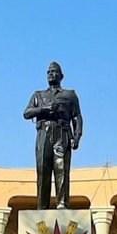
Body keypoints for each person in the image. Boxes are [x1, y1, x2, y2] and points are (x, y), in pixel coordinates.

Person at [23, 60, 83, 209]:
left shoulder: (70, 95)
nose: (51, 74)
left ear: (61, 76)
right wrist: (44, 109)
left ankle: (62, 203)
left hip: (62, 134)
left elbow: (77, 117)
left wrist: (77, 136)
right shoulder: (38, 95)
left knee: (61, 169)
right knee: (43, 170)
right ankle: (42, 206)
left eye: (54, 71)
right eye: (49, 72)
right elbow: (27, 113)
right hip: (44, 133)